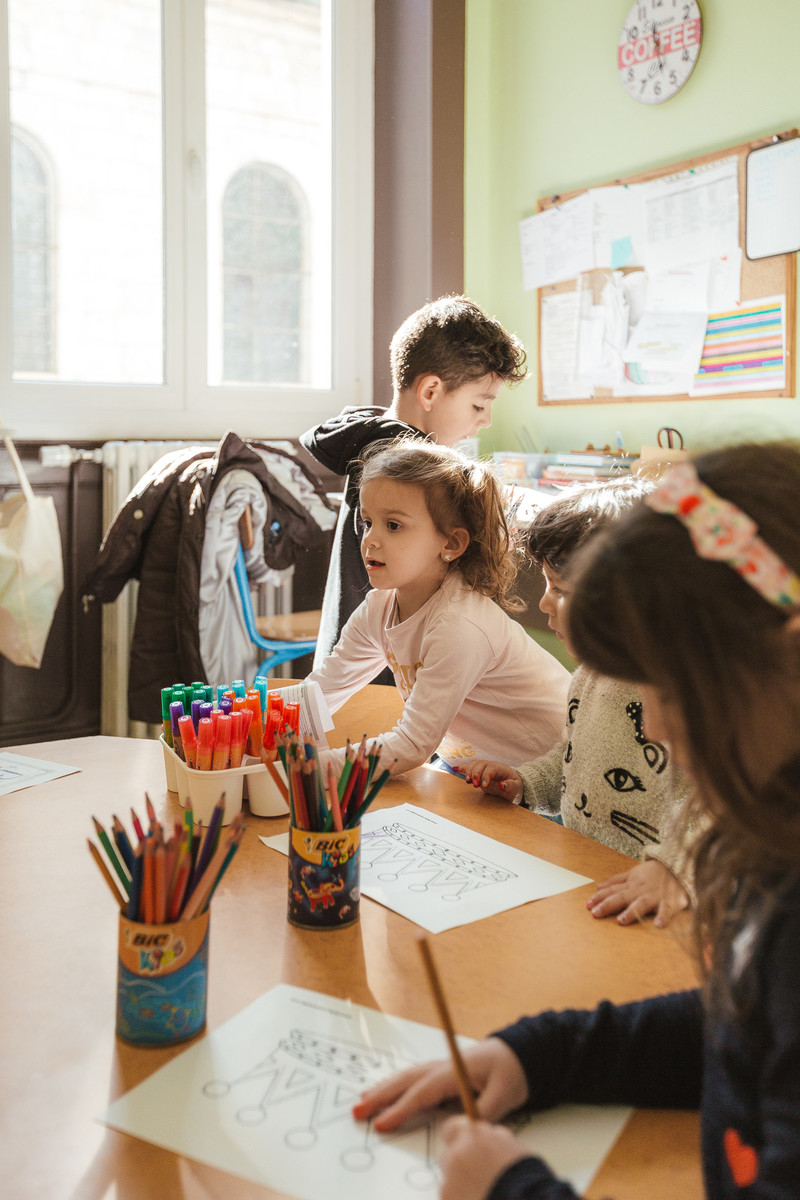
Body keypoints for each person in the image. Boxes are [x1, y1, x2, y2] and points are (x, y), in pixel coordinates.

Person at [355, 442, 800, 1200]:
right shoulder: (773, 853)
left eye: (671, 684)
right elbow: (743, 1020)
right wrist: (540, 1057)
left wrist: (513, 1189)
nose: (654, 724)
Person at [459, 476, 694, 928]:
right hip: (581, 867)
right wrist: (526, 783)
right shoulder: (587, 676)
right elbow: (575, 761)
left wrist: (674, 870)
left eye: (561, 591)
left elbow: (719, 810)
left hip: (650, 896)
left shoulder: (682, 698)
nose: (545, 604)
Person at [306, 437, 570, 776]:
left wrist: (312, 768)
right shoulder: (380, 607)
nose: (370, 539)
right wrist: (248, 721)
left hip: (549, 777)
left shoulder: (458, 624)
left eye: (394, 525)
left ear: (451, 543)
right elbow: (320, 692)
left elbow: (412, 745)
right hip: (472, 767)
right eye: (368, 521)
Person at [300, 295, 527, 680]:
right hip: (381, 673)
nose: (486, 420)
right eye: (478, 405)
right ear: (431, 391)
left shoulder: (374, 441)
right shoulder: (403, 467)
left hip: (357, 659)